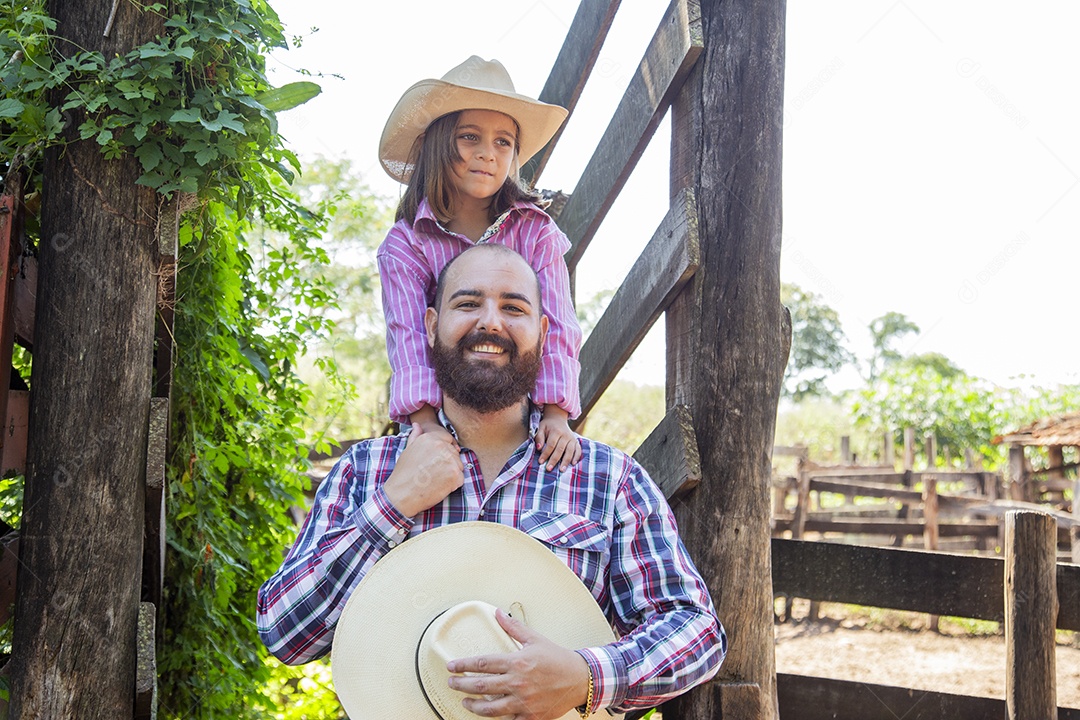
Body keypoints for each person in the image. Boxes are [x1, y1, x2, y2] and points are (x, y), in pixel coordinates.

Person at [257, 244, 726, 718]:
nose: (491, 323)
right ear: (429, 324)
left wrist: (586, 676)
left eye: (513, 308)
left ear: (542, 333)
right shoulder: (367, 471)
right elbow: (284, 635)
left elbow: (695, 631)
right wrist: (393, 504)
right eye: (467, 304)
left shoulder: (608, 479)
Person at [376, 55, 583, 473]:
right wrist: (425, 423)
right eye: (470, 137)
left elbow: (559, 325)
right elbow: (408, 336)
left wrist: (557, 415)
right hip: (438, 414)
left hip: (518, 409)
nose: (487, 154)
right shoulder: (406, 244)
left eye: (503, 142)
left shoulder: (536, 232)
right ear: (438, 143)